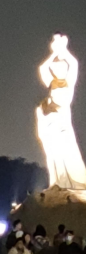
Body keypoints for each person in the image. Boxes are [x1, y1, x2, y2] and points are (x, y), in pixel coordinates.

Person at [36, 33, 86, 189]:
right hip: (50, 123)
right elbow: (42, 68)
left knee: (66, 151)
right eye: (56, 68)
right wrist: (54, 54)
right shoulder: (52, 83)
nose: (59, 70)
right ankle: (58, 182)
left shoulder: (68, 83)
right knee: (54, 153)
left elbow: (74, 63)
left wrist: (63, 50)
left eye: (62, 68)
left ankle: (71, 183)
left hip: (62, 122)